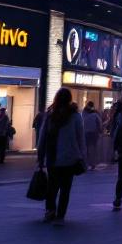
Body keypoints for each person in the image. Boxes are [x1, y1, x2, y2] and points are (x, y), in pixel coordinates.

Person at [37, 88, 86, 223]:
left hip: (52, 157)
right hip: (70, 158)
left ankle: (50, 210)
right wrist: (83, 157)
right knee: (65, 189)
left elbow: (42, 138)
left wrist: (40, 156)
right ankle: (60, 216)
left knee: (52, 186)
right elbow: (81, 139)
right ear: (70, 99)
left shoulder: (50, 116)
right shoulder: (76, 116)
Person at [82, 103, 103, 171]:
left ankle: (87, 163)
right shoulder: (95, 115)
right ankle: (93, 163)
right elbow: (99, 124)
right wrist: (100, 131)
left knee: (87, 148)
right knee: (93, 148)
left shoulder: (84, 114)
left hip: (86, 133)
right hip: (94, 133)